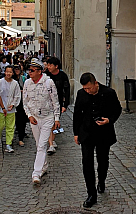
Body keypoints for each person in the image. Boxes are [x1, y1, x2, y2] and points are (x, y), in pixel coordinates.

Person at [73, 72, 122, 208]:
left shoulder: (109, 93)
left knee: (102, 160)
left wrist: (109, 120)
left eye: (89, 88)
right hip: (87, 133)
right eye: (85, 89)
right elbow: (77, 114)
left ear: (95, 83)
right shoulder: (81, 94)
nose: (87, 91)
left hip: (103, 133)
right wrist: (76, 133)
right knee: (87, 162)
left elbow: (117, 110)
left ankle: (101, 180)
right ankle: (91, 194)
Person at [23, 58, 60, 185]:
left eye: (33, 70)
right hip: (34, 118)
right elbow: (25, 102)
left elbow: (55, 101)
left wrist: (56, 118)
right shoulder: (27, 83)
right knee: (39, 144)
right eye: (29, 70)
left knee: (42, 145)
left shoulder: (48, 83)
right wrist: (29, 116)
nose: (30, 72)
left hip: (47, 118)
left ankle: (36, 172)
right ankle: (43, 166)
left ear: (39, 71)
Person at [45, 56, 70, 154]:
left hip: (58, 102)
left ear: (56, 66)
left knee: (55, 122)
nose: (48, 67)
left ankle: (52, 139)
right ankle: (51, 144)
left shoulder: (62, 75)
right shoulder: (45, 75)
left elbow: (67, 90)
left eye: (50, 65)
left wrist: (65, 104)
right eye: (48, 65)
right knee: (49, 122)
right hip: (47, 102)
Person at [0, 65, 21, 153]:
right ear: (4, 72)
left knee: (10, 127)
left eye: (10, 72)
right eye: (7, 72)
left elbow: (17, 95)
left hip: (11, 108)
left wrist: (13, 104)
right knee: (0, 126)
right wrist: (1, 106)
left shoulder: (15, 83)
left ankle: (8, 143)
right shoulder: (0, 82)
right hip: (1, 108)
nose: (8, 74)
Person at [13, 64, 28, 146]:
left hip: (22, 102)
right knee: (14, 120)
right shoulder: (11, 79)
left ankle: (21, 137)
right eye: (15, 69)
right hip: (13, 103)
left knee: (22, 120)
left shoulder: (23, 78)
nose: (16, 70)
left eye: (18, 69)